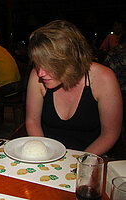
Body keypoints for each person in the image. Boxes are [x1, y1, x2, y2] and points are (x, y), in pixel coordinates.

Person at [25, 20, 122, 156]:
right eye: (38, 64)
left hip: (91, 156)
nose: (40, 73)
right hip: (49, 154)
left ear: (70, 60)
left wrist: (78, 162)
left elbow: (110, 134)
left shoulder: (104, 78)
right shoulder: (36, 76)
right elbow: (32, 121)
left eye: (49, 65)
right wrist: (45, 155)